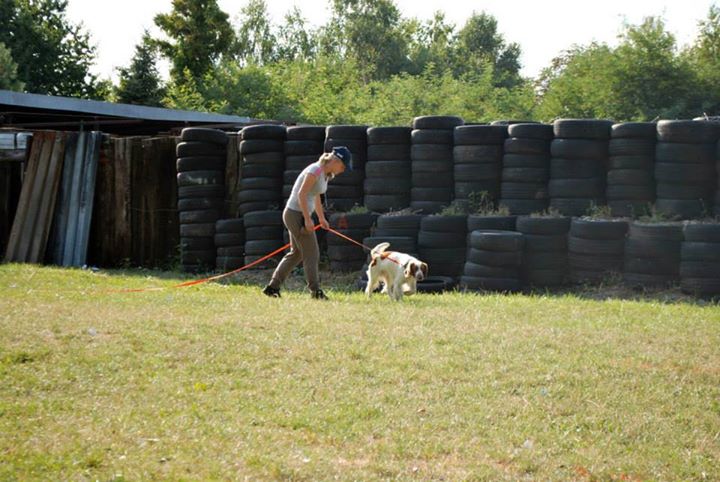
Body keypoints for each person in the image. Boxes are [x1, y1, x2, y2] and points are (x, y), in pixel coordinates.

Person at [262, 146, 352, 300]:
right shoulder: (315, 170)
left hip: (300, 215)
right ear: (335, 161)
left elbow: (315, 196)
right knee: (312, 253)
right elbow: (301, 194)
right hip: (295, 215)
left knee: (296, 254)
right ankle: (315, 291)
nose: (343, 170)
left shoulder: (325, 174)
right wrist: (308, 219)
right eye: (343, 166)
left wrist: (321, 218)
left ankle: (272, 287)